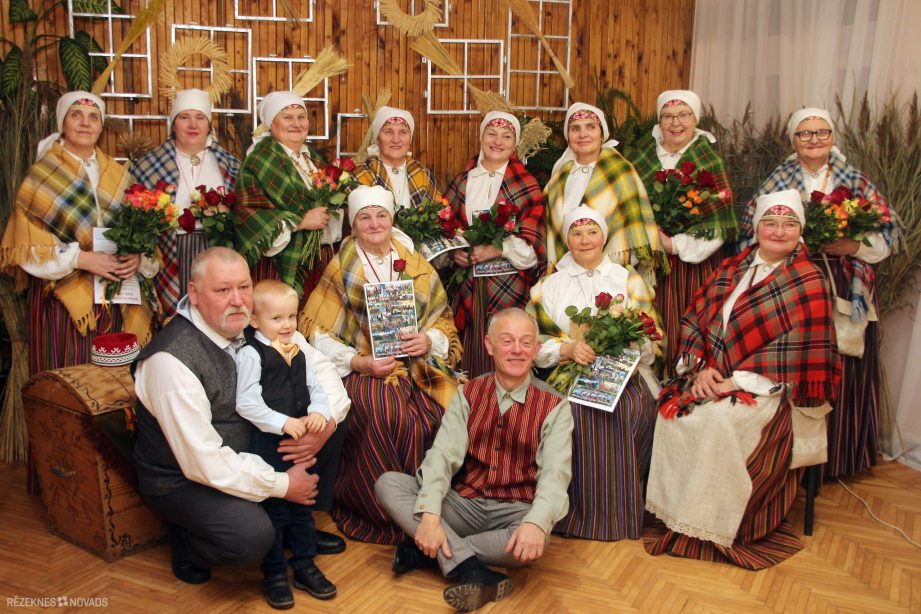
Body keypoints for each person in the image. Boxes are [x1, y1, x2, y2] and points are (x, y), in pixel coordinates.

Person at [644, 190, 839, 569]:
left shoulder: (809, 279)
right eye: (770, 222)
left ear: (801, 231)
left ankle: (716, 526)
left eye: (789, 224)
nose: (778, 231)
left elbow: (797, 353)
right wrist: (701, 369)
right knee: (673, 415)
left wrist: (735, 383)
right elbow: (695, 317)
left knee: (717, 421)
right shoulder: (732, 267)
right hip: (711, 374)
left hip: (767, 389)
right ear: (757, 227)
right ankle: (679, 520)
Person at [131, 247, 322, 585]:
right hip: (183, 477)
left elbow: (317, 367)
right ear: (194, 294)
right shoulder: (171, 362)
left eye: (244, 287)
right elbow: (202, 461)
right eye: (223, 290)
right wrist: (284, 485)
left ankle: (294, 531)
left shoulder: (254, 322)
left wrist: (324, 423)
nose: (238, 300)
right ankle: (189, 541)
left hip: (249, 448)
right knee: (251, 536)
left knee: (330, 423)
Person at [374, 308, 573, 612]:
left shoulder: (555, 406)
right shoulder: (468, 393)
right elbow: (442, 455)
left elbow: (555, 477)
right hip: (463, 504)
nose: (517, 350)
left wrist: (534, 524)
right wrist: (431, 516)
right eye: (507, 341)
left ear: (535, 349)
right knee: (389, 484)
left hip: (514, 511)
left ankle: (431, 553)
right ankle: (472, 568)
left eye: (525, 342)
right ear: (489, 345)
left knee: (536, 539)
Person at [742, 107, 900, 478]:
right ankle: (791, 458)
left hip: (844, 286)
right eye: (805, 133)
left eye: (821, 132)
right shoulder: (778, 180)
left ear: (831, 137)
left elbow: (888, 232)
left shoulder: (855, 180)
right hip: (792, 283)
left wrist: (852, 246)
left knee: (843, 366)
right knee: (799, 365)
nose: (814, 140)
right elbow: (752, 229)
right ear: (793, 140)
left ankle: (841, 459)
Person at [299, 185, 462, 545]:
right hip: (363, 368)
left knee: (441, 413)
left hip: (418, 365)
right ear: (353, 225)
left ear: (392, 220)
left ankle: (431, 510)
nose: (374, 224)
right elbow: (316, 333)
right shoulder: (341, 267)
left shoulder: (415, 264)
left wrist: (428, 341)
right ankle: (381, 515)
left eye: (381, 215)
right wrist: (358, 362)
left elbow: (443, 321)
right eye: (364, 217)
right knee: (388, 414)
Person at [528, 206, 661, 541]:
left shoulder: (628, 279)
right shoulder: (547, 286)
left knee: (627, 409)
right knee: (572, 412)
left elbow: (654, 338)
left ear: (604, 237)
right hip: (563, 374)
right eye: (576, 233)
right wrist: (567, 349)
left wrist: (627, 343)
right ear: (566, 240)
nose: (584, 240)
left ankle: (617, 514)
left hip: (625, 374)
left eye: (592, 232)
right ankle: (570, 516)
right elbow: (532, 342)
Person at [1, 91, 156, 375]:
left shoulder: (119, 174)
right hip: (65, 301)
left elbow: (142, 231)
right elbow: (26, 244)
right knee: (70, 378)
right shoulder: (43, 174)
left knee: (117, 381)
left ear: (101, 125)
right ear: (63, 122)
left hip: (117, 296)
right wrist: (81, 259)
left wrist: (137, 257)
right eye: (76, 115)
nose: (85, 123)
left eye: (93, 117)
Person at [235, 279, 349, 607]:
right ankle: (273, 572)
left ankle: (304, 565)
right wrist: (282, 422)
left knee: (302, 508)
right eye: (276, 318)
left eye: (291, 316)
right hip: (269, 445)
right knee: (274, 511)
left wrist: (319, 412)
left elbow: (316, 388)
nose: (286, 325)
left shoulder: (297, 349)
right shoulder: (251, 354)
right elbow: (247, 403)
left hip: (298, 443)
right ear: (254, 320)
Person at [629, 90, 737, 377]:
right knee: (650, 326)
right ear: (659, 121)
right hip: (648, 264)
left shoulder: (709, 160)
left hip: (695, 268)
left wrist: (674, 244)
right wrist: (648, 240)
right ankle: (652, 388)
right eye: (667, 116)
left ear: (695, 119)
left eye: (683, 115)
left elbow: (719, 221)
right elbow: (627, 205)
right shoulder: (641, 158)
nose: (675, 123)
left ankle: (686, 387)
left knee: (689, 326)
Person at [445, 111, 546, 378]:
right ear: (481, 137)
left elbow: (533, 250)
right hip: (469, 289)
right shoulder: (463, 181)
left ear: (515, 145)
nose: (498, 142)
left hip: (509, 290)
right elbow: (444, 228)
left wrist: (498, 249)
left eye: (506, 136)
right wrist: (455, 253)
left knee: (508, 346)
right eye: (491, 134)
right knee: (473, 356)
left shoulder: (527, 185)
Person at [130, 88, 241, 317]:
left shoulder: (231, 165)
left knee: (215, 316)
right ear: (173, 124)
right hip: (169, 254)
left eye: (200, 117)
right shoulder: (149, 165)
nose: (193, 125)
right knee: (176, 321)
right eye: (184, 117)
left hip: (217, 252)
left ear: (209, 124)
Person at [235, 91, 339, 302]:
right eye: (287, 117)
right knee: (282, 316)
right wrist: (300, 222)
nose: (296, 124)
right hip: (281, 264)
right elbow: (248, 215)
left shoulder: (314, 158)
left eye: (301, 117)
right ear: (272, 124)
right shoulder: (260, 160)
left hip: (321, 259)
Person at [543, 102, 667, 276]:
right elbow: (552, 228)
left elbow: (631, 228)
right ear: (568, 137)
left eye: (591, 127)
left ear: (602, 135)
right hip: (566, 273)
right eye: (575, 128)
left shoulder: (620, 170)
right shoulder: (558, 178)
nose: (583, 134)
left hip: (610, 274)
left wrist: (600, 271)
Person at [353, 106, 441, 211]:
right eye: (388, 132)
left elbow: (438, 215)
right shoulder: (360, 174)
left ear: (410, 139)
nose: (396, 140)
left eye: (403, 132)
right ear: (377, 138)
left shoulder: (423, 175)